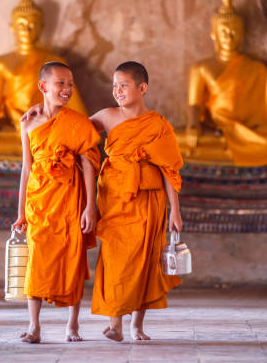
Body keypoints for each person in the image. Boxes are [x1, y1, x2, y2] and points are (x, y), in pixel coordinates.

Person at [23, 61, 183, 342]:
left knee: (144, 259)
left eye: (124, 85)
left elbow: (169, 169)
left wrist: (175, 212)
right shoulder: (106, 117)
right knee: (115, 258)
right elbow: (70, 129)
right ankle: (115, 324)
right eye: (114, 86)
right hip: (113, 197)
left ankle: (136, 326)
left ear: (142, 88)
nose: (117, 91)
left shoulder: (158, 125)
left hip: (148, 196)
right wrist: (38, 109)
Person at [12, 61, 100, 343]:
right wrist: (20, 211)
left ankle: (72, 325)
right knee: (36, 260)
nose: (67, 89)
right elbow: (26, 167)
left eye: (70, 84)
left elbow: (89, 166)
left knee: (73, 260)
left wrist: (90, 206)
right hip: (39, 202)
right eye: (60, 83)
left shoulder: (77, 123)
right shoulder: (27, 122)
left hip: (70, 200)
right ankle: (34, 326)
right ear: (43, 87)